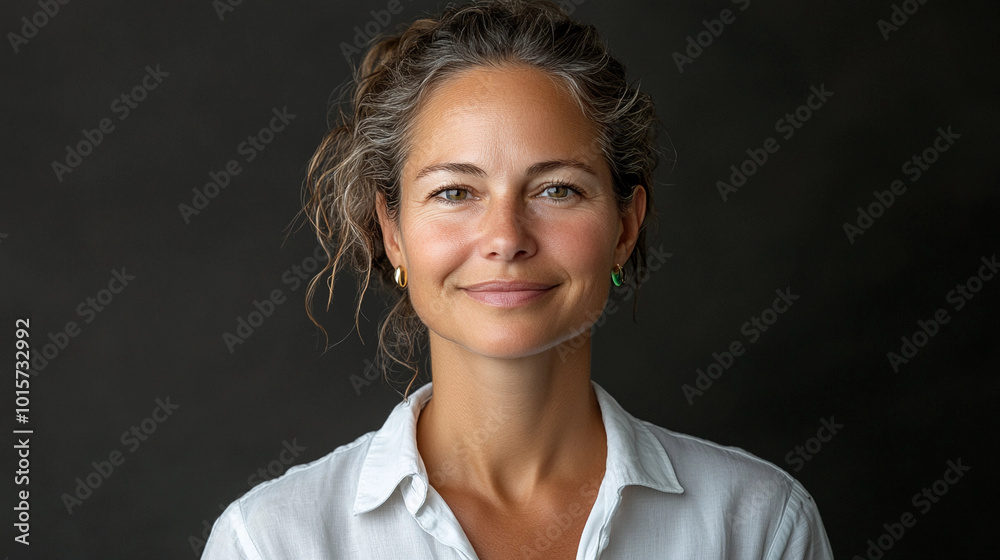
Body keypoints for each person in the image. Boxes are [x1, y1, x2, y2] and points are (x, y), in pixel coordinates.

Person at [202, 1, 835, 558]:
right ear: (392, 231)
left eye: (557, 189)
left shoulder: (758, 527)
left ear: (624, 227)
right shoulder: (273, 542)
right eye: (455, 191)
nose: (506, 238)